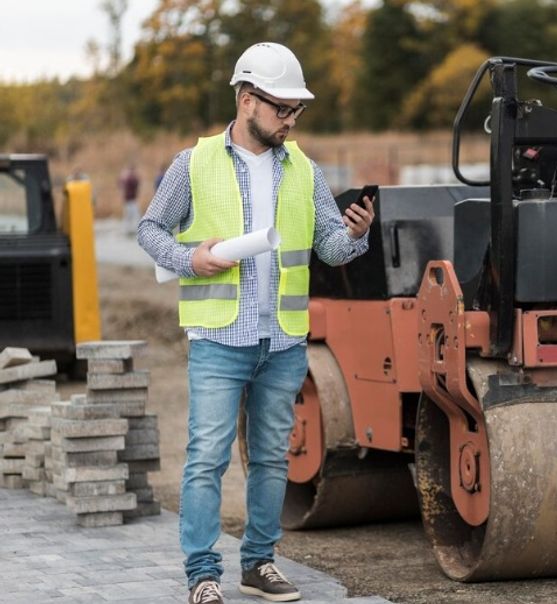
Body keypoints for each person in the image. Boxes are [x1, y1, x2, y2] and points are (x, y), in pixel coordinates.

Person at [138, 42, 375, 604]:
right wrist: (192, 259)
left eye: (297, 111)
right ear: (247, 100)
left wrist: (357, 237)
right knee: (206, 459)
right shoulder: (193, 163)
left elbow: (329, 248)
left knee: (272, 457)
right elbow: (150, 231)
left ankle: (259, 564)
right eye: (281, 108)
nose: (291, 120)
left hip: (283, 341)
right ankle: (201, 574)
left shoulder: (306, 171)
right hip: (219, 339)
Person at [118, 163, 141, 235]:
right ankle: (127, 230)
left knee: (134, 216)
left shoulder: (128, 178)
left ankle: (132, 229)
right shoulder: (128, 178)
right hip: (129, 201)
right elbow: (120, 184)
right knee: (130, 216)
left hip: (132, 200)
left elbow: (136, 183)